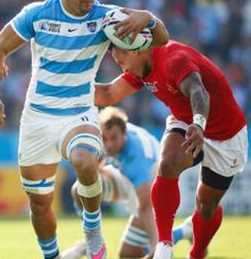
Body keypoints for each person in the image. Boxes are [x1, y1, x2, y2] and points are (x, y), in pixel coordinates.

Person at [0, 0, 169, 259]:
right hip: (38, 119)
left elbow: (162, 39)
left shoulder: (107, 18)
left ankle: (92, 230)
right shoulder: (38, 14)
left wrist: (147, 17)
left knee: (84, 160)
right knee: (40, 204)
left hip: (78, 112)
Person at [94, 39, 248, 259]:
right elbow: (108, 94)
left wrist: (199, 123)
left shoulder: (174, 59)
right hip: (186, 121)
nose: (122, 67)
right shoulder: (140, 69)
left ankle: (196, 253)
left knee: (206, 206)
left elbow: (199, 91)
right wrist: (65, 91)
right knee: (167, 164)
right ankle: (164, 246)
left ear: (138, 51)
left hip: (226, 134)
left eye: (122, 61)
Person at [61, 107, 194, 259]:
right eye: (105, 138)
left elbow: (145, 205)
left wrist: (155, 246)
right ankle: (90, 241)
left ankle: (185, 230)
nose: (108, 144)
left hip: (153, 194)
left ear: (125, 134)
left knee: (128, 254)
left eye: (114, 138)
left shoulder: (138, 156)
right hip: (126, 181)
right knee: (80, 189)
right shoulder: (103, 135)